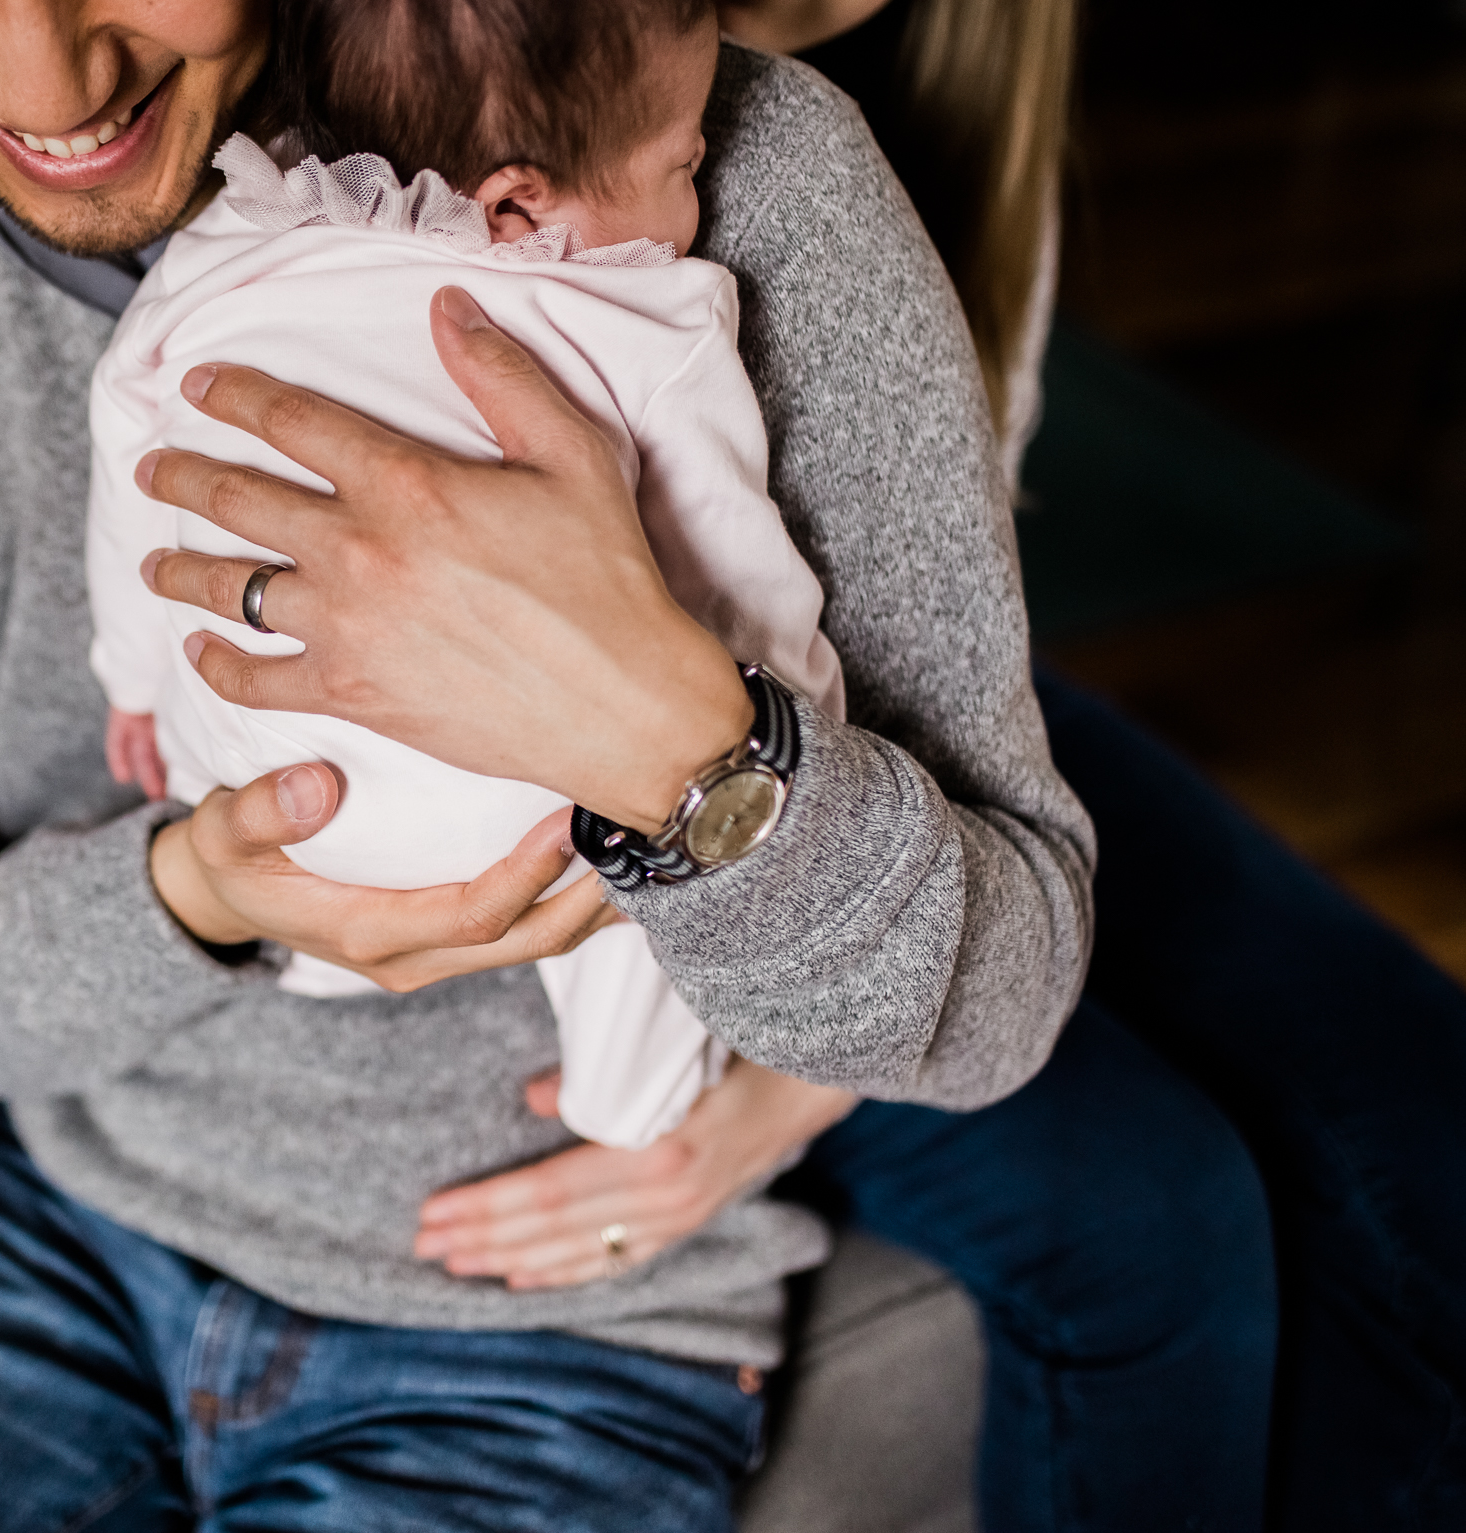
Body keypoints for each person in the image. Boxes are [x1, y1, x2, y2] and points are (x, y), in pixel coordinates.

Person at [0, 1, 1276, 1529]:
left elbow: (999, 990)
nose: (39, 76)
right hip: (45, 1230)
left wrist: (683, 753)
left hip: (547, 1342)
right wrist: (188, 887)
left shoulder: (721, 158)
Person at [415, 0, 1466, 1525]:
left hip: (902, 705)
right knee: (1157, 1212)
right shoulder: (463, 64)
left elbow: (956, 649)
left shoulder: (953, 92)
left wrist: (797, 1091)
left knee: (1426, 1124)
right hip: (651, 812)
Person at [88, 1, 843, 1150]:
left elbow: (125, 451)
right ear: (513, 204)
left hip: (264, 793)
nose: (695, 203)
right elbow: (739, 576)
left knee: (208, 609)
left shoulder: (226, 245)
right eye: (682, 162)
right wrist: (792, 727)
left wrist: (132, 680)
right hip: (528, 823)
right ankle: (627, 1104)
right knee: (635, 894)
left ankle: (317, 963)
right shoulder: (644, 320)